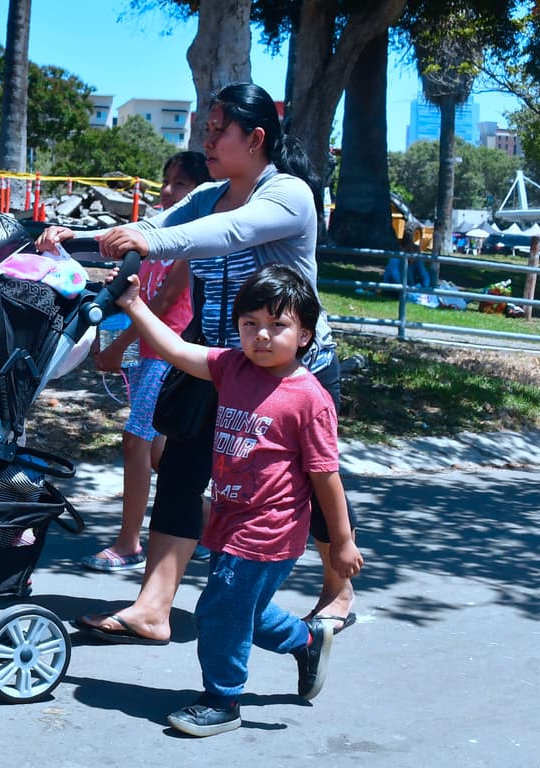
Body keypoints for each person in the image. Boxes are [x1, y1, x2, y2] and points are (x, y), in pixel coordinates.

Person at [39, 82, 358, 642]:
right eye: (206, 129)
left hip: (292, 372)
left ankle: (338, 589)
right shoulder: (206, 195)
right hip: (218, 362)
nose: (205, 139)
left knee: (310, 479)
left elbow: (221, 235)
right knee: (183, 473)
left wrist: (142, 238)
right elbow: (155, 228)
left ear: (255, 138)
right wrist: (74, 239)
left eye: (217, 131)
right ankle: (153, 607)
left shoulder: (287, 195)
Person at [114, 263, 362, 737]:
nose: (262, 336)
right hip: (228, 518)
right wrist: (133, 304)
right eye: (251, 324)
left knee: (217, 610)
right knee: (243, 608)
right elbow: (176, 349)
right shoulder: (232, 367)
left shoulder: (308, 398)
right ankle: (307, 641)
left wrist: (343, 542)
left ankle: (222, 698)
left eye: (277, 325)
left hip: (269, 528)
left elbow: (326, 476)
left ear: (305, 334)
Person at [83, 151, 208, 572]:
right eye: (166, 180)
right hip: (144, 354)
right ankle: (208, 529)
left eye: (181, 185)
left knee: (136, 441)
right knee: (160, 456)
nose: (169, 190)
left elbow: (165, 300)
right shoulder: (154, 236)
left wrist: (121, 346)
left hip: (168, 354)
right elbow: (134, 290)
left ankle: (128, 543)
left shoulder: (192, 241)